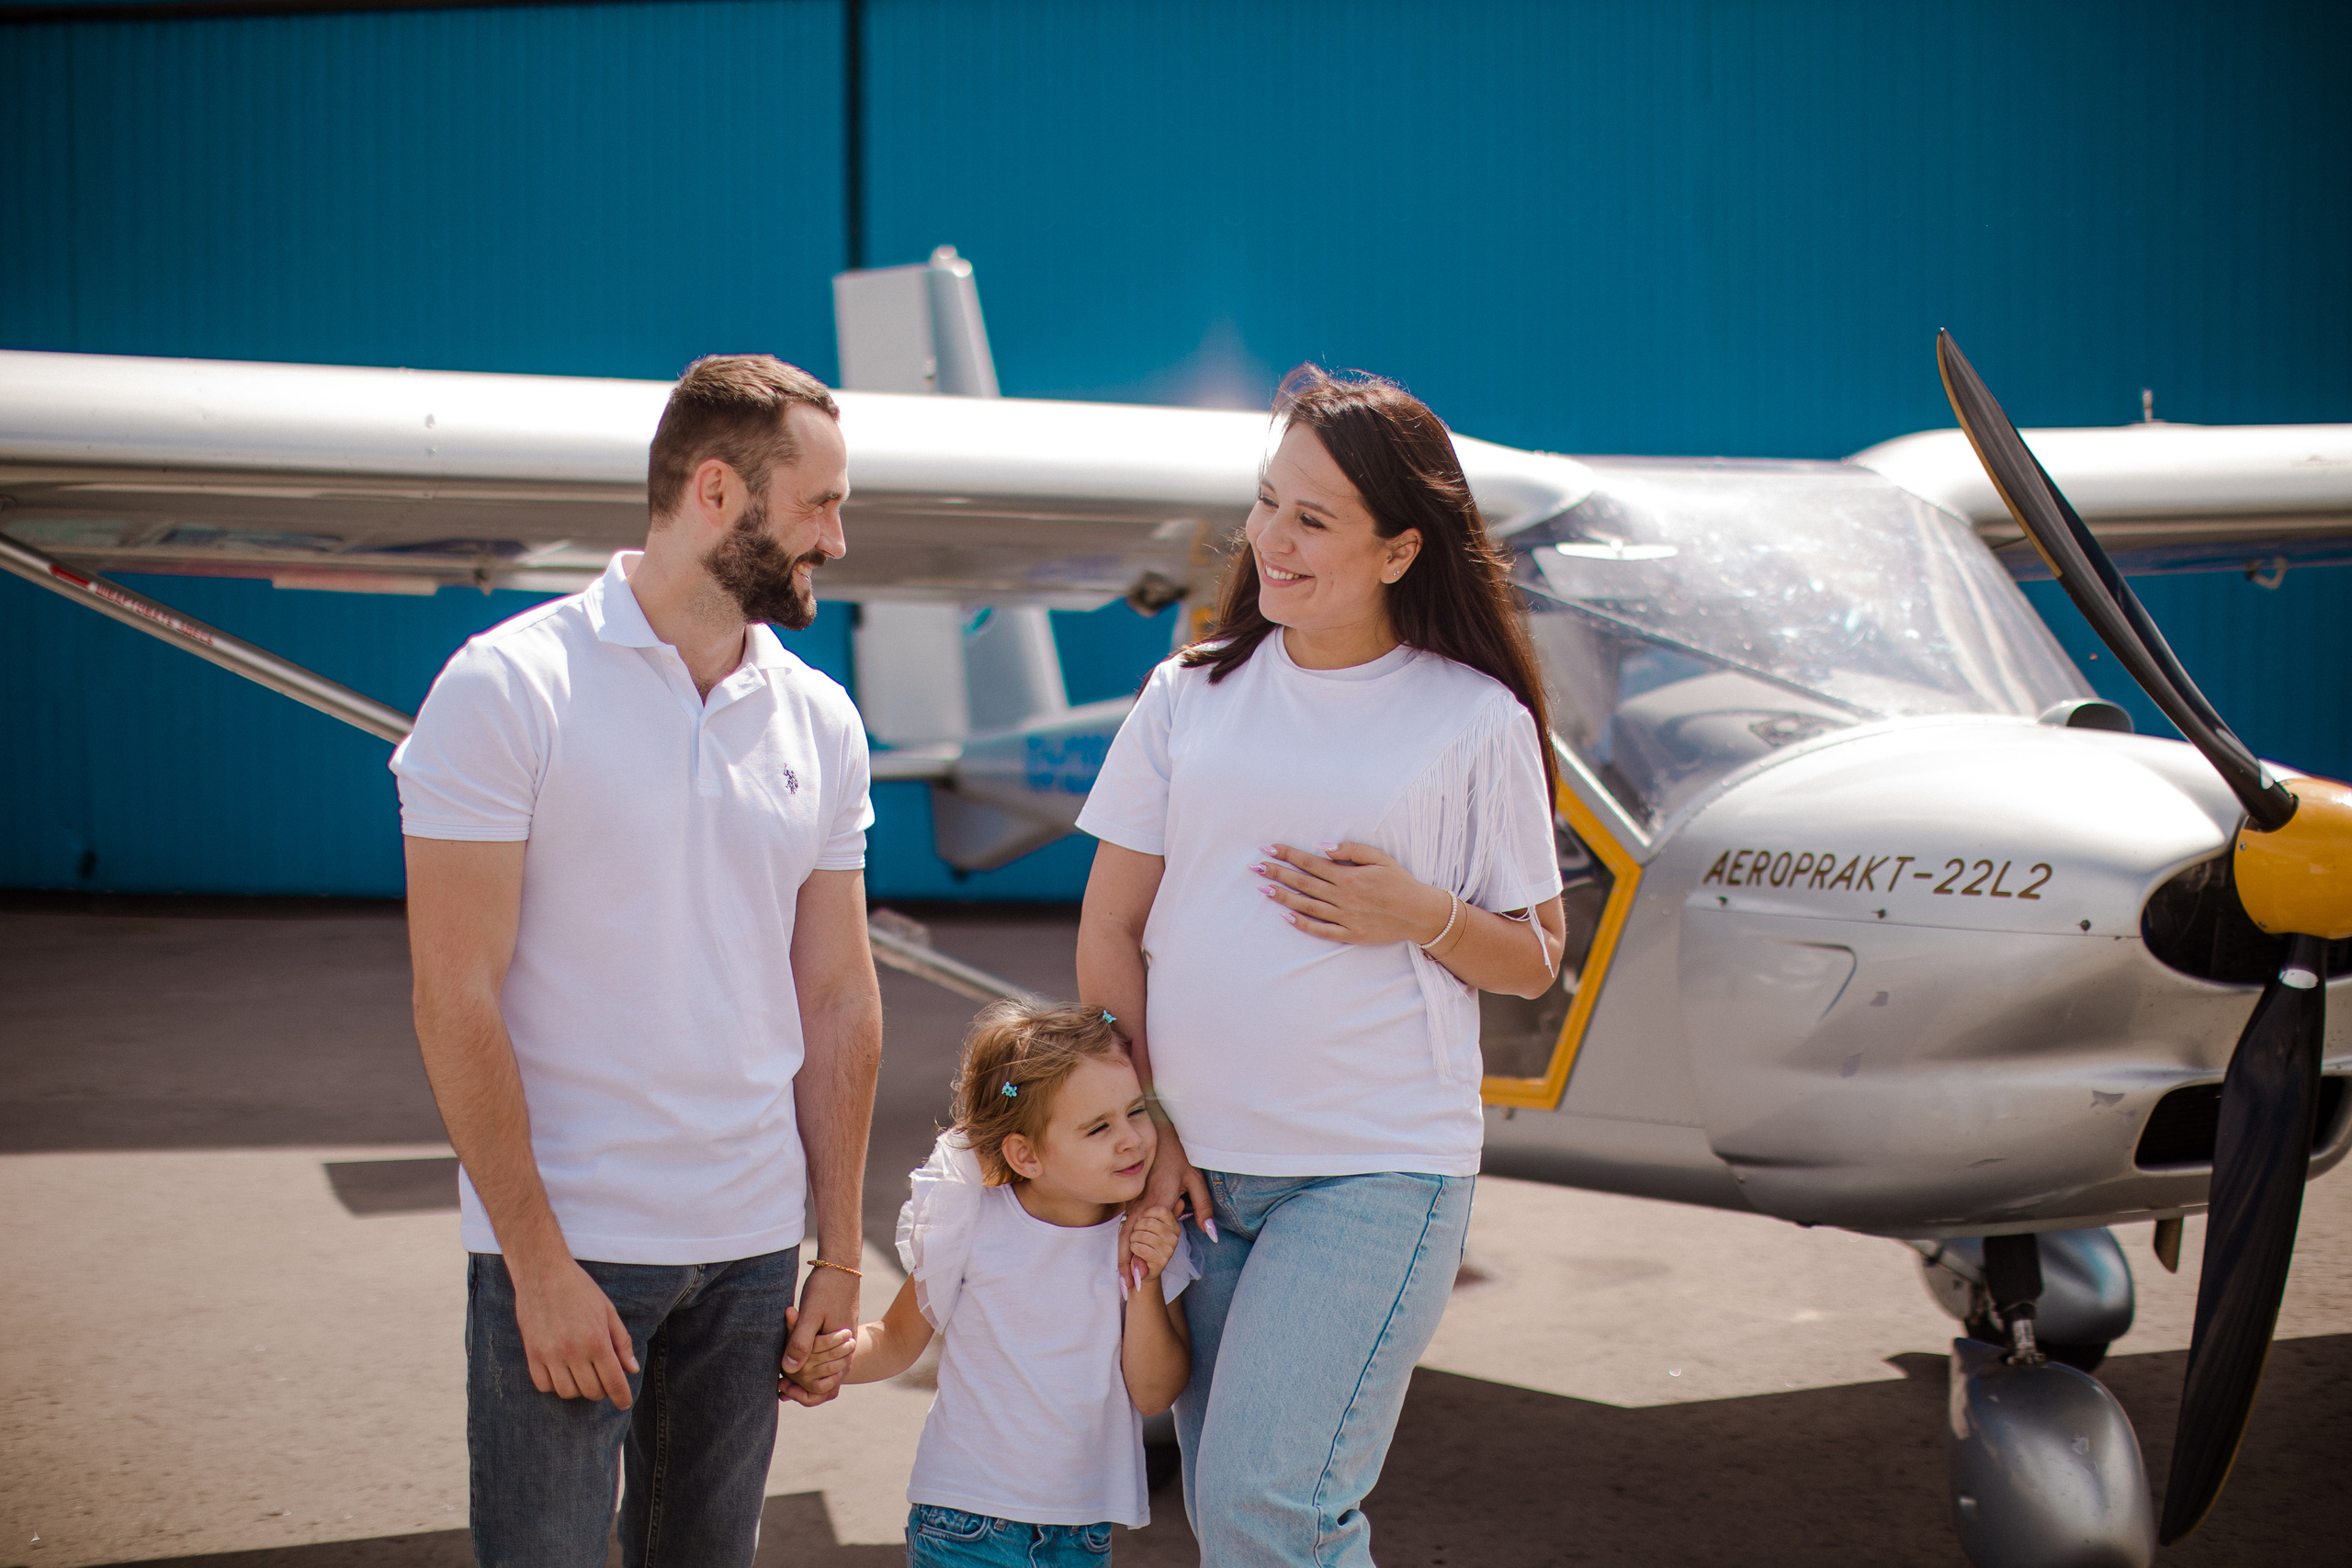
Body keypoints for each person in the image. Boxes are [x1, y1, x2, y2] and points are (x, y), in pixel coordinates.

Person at [391, 354, 882, 1567]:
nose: (837, 538)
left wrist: (836, 1246)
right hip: (574, 1247)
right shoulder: (508, 687)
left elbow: (836, 993)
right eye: (819, 504)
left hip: (755, 1249)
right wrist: (536, 1261)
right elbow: (454, 993)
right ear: (718, 491)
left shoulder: (819, 716)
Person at [1071, 366, 1568, 1565]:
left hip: (1372, 1174)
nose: (1270, 540)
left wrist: (1421, 912)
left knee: (1265, 1507)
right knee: (1242, 1517)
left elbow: (1535, 958)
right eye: (1264, 502)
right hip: (1199, 1171)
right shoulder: (1188, 694)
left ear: (1401, 550)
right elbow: (1106, 933)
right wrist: (1142, 1130)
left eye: (1313, 517)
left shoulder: (1473, 718)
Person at [794, 1002, 1193, 1565]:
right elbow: (896, 1339)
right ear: (1025, 1154)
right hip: (964, 1520)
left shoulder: (1146, 1234)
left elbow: (1155, 1393)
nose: (1130, 1139)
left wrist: (1146, 1280)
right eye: (1098, 1127)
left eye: (1135, 1111)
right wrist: (827, 1357)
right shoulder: (973, 1219)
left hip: (1080, 1532)